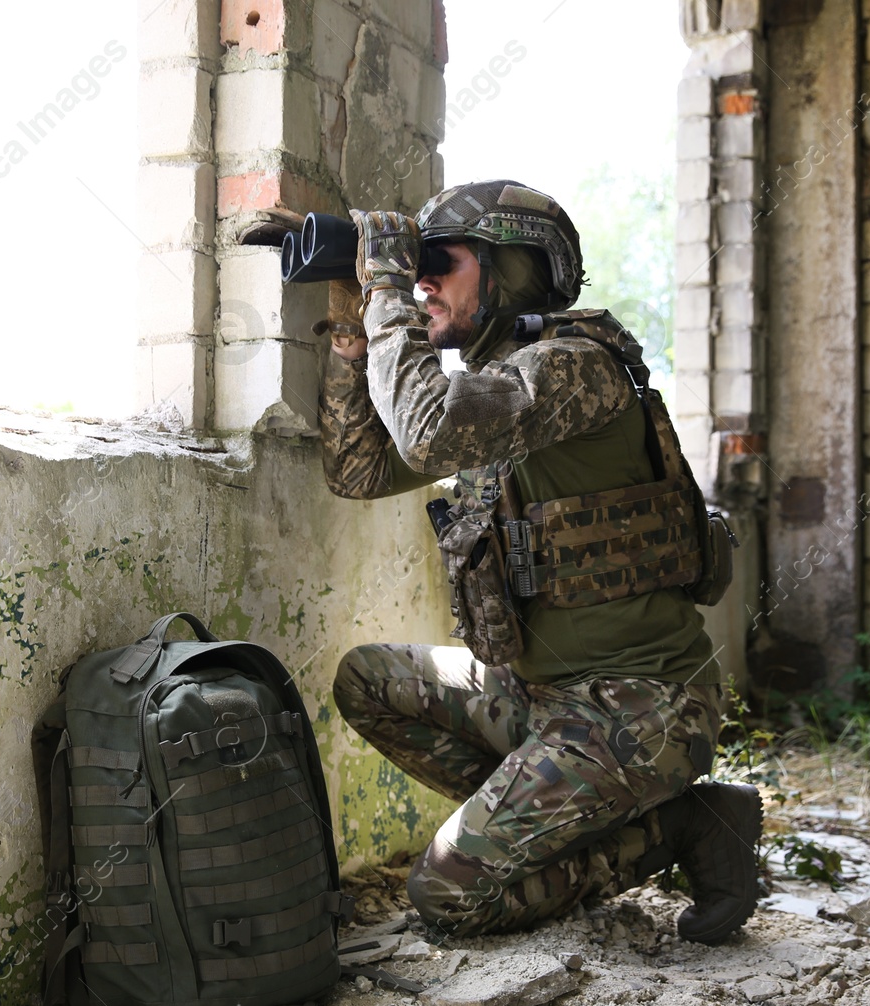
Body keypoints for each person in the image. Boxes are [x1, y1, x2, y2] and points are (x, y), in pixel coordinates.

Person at [317, 179, 761, 941]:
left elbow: (424, 434)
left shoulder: (573, 370)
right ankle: (548, 824)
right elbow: (359, 472)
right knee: (366, 680)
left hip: (639, 709)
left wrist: (387, 281)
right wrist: (352, 331)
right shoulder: (493, 397)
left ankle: (683, 826)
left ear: (511, 266)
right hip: (541, 696)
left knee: (447, 894)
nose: (422, 280)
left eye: (438, 262)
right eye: (416, 266)